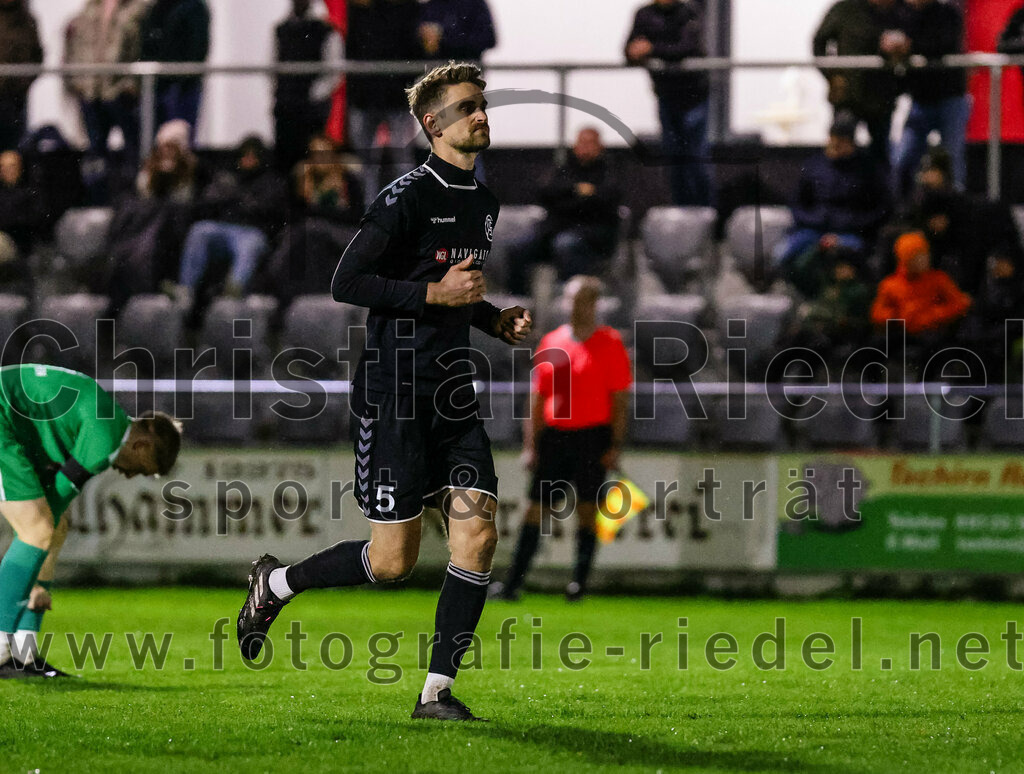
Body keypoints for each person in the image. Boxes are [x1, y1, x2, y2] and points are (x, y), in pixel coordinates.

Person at [237, 62, 532, 722]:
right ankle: (277, 583)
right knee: (393, 563)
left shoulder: (483, 203)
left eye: (482, 105)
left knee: (478, 536)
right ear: (433, 124)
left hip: (452, 394)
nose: (481, 115)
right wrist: (435, 294)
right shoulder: (405, 196)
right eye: (466, 107)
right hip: (393, 394)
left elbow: (457, 295)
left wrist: (493, 320)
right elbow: (347, 282)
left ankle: (436, 693)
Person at [0, 364, 182, 677]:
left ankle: (23, 654)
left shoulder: (109, 424)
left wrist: (39, 581)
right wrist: (38, 583)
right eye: (142, 469)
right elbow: (54, 503)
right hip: (4, 420)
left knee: (53, 527)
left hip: (13, 424)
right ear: (142, 445)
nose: (132, 475)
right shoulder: (104, 440)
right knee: (38, 530)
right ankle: (2, 642)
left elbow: (56, 508)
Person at [490, 276, 630, 603]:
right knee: (535, 509)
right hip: (555, 438)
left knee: (587, 510)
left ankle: (578, 583)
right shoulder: (552, 341)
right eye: (569, 299)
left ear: (593, 304)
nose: (573, 306)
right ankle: (513, 584)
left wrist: (613, 445)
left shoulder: (611, 343)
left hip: (592, 437)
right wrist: (530, 445)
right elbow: (537, 398)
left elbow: (620, 400)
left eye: (580, 300)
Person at [171, 135, 288, 309]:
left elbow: (270, 211)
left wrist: (236, 199)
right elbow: (208, 203)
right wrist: (234, 199)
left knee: (249, 244)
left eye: (253, 155)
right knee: (200, 230)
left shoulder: (272, 182)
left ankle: (233, 292)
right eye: (245, 155)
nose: (248, 159)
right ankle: (186, 291)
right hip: (223, 229)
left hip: (253, 232)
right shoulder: (227, 178)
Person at [506, 127, 622, 295]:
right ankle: (518, 299)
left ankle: (570, 299)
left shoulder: (609, 171)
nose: (585, 147)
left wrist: (571, 199)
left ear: (600, 147)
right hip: (557, 229)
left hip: (593, 234)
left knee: (565, 245)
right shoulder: (564, 169)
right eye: (581, 142)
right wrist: (578, 192)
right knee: (518, 249)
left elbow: (606, 200)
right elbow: (546, 193)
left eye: (590, 143)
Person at [773, 111, 890, 275]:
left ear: (851, 143)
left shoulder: (867, 170)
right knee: (781, 254)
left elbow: (881, 209)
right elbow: (796, 203)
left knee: (855, 255)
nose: (835, 145)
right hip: (812, 229)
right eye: (833, 139)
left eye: (841, 141)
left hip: (850, 233)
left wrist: (852, 223)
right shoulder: (814, 165)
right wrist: (814, 220)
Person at [625, 0, 712, 206]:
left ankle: (706, 212)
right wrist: (634, 51)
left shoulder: (688, 11)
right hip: (666, 96)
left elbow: (687, 48)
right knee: (674, 158)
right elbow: (629, 50)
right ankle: (681, 210)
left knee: (696, 158)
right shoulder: (644, 14)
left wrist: (651, 48)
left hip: (694, 96)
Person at [813, 0, 908, 167]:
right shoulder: (845, 9)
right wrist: (832, 75)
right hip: (848, 96)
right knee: (840, 152)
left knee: (880, 156)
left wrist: (898, 81)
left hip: (880, 99)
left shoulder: (898, 12)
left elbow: (910, 46)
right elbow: (819, 42)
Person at [344, 0, 423, 200]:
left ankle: (402, 210)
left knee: (401, 161)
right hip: (367, 97)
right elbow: (352, 51)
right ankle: (373, 210)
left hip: (393, 96)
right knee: (368, 163)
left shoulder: (406, 9)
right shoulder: (361, 11)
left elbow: (414, 52)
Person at [63, 0, 151, 180]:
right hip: (91, 90)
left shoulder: (139, 8)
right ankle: (98, 193)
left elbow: (142, 48)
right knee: (95, 149)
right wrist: (76, 81)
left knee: (133, 147)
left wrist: (131, 84)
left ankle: (131, 192)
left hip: (120, 90)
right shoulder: (90, 8)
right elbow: (77, 46)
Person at [892, 0, 970, 198]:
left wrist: (910, 46)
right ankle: (904, 207)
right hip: (920, 100)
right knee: (903, 157)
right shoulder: (904, 14)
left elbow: (944, 43)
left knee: (953, 161)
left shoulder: (947, 14)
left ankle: (956, 208)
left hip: (950, 97)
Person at [871, 230, 971, 353]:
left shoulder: (939, 279)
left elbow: (960, 303)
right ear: (905, 259)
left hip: (932, 331)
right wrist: (897, 315)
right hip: (902, 332)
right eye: (917, 256)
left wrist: (932, 315)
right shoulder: (890, 284)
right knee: (877, 344)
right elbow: (877, 313)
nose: (924, 259)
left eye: (925, 254)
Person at [273, 0, 339, 173]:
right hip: (286, 103)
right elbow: (273, 65)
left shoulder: (325, 30)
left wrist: (315, 93)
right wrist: (279, 91)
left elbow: (334, 69)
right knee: (286, 159)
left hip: (312, 108)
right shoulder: (281, 29)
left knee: (311, 158)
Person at [139, 0, 210, 141]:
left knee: (178, 137)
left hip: (183, 86)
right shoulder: (157, 7)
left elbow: (198, 47)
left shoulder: (194, 7)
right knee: (154, 138)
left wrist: (183, 77)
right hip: (159, 84)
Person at [0, 0, 43, 151]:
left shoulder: (27, 20)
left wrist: (23, 82)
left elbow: (37, 56)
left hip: (15, 97)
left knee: (13, 147)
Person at [0, 149, 41, 294]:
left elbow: (35, 220)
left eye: (11, 166)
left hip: (23, 245)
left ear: (20, 167)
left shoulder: (32, 191)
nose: (7, 170)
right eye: (2, 167)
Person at [417, 0, 496, 62]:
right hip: (435, 72)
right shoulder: (431, 6)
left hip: (466, 72)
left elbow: (488, 39)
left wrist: (443, 38)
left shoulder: (474, 4)